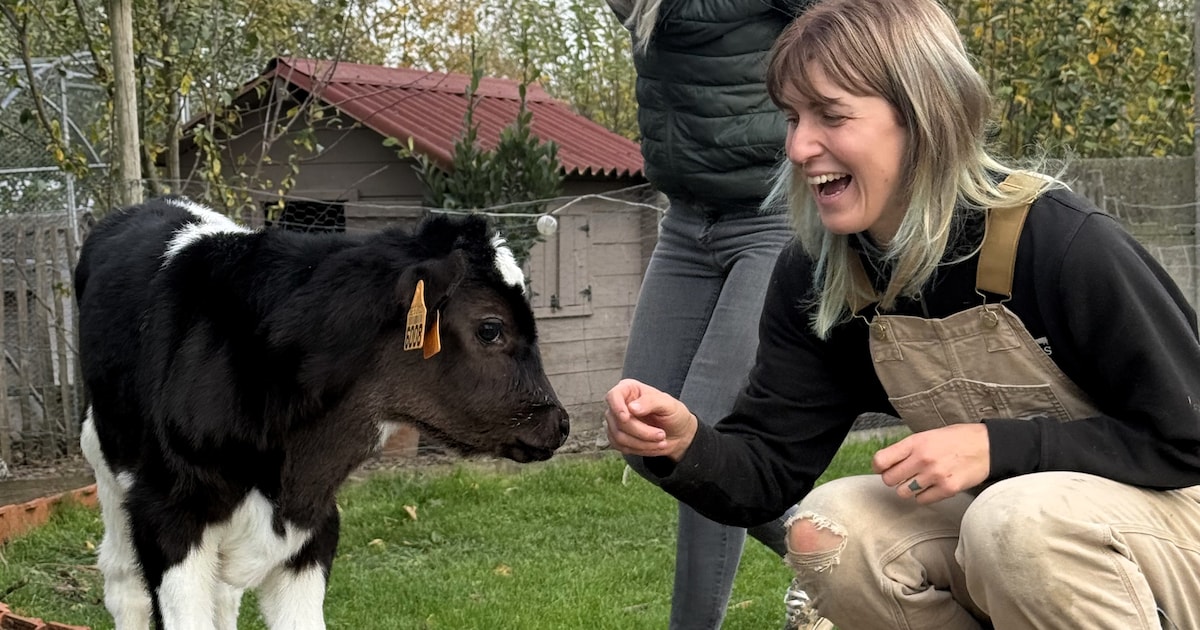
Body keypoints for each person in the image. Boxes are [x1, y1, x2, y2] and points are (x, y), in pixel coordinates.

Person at [604, 0, 1200, 627]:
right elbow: (769, 471)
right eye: (792, 117)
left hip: (1169, 527)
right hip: (1011, 534)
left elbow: (1186, 437)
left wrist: (996, 446)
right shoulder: (823, 275)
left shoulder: (1060, 243)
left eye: (831, 115)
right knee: (832, 529)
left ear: (923, 115)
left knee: (1014, 522)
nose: (798, 147)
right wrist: (686, 443)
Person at [603, 0, 819, 628]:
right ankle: (830, 555)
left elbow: (860, 34)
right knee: (641, 429)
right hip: (686, 221)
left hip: (772, 216)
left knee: (702, 437)